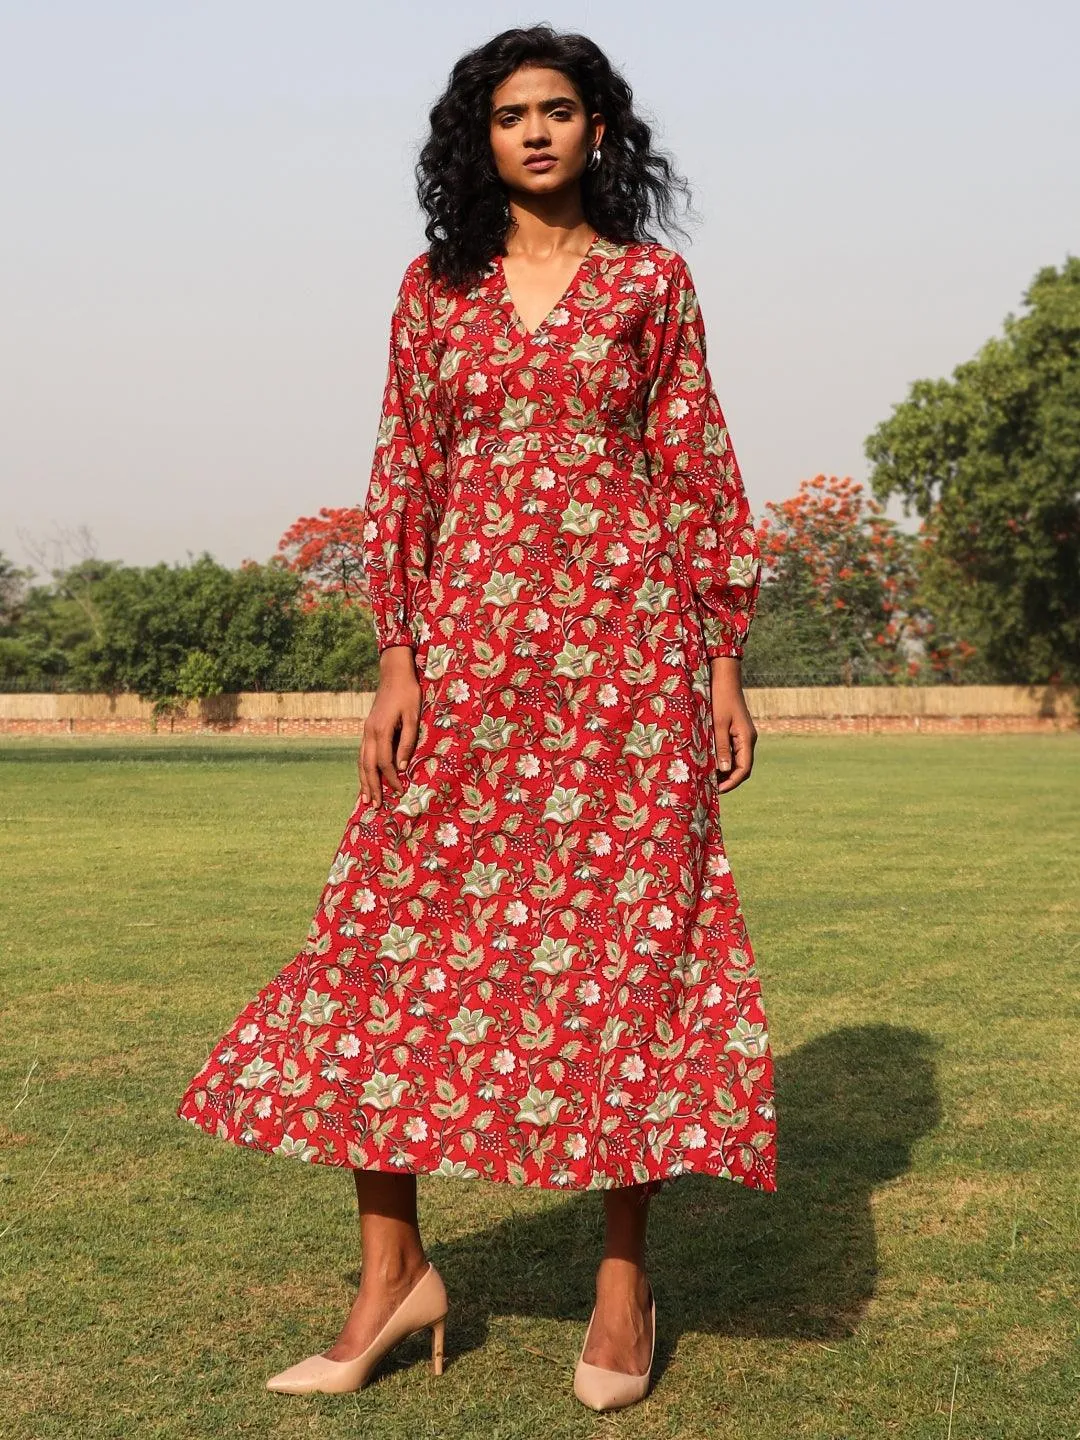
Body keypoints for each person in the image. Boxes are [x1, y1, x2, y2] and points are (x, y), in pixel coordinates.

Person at [176, 23, 775, 1413]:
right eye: (512, 114)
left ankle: (622, 1285)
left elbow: (697, 468)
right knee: (388, 937)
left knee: (630, 949)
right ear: (482, 138)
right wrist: (399, 657)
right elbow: (404, 468)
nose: (539, 132)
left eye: (561, 109)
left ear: (600, 131)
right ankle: (395, 1275)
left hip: (624, 667)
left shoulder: (651, 285)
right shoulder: (435, 288)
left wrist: (723, 663)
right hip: (467, 661)